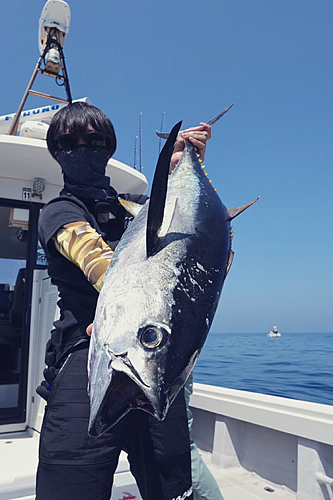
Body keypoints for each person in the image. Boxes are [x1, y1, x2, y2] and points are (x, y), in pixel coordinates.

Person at [36, 101, 220, 500]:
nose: (83, 148)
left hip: (154, 360)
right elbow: (96, 259)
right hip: (88, 355)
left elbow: (189, 244)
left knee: (174, 487)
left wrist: (179, 166)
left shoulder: (138, 207)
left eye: (95, 140)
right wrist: (119, 308)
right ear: (55, 152)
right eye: (69, 142)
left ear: (110, 148)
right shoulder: (59, 212)